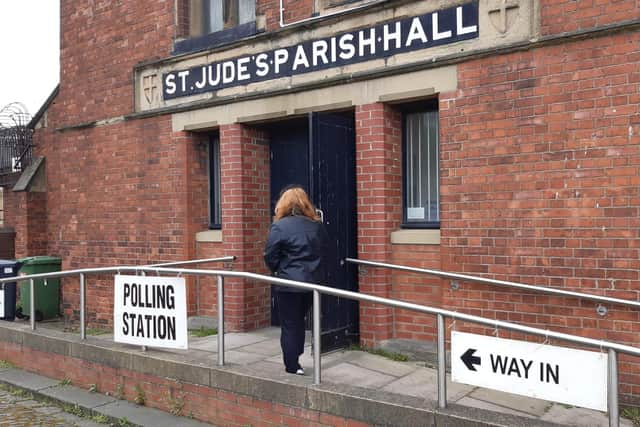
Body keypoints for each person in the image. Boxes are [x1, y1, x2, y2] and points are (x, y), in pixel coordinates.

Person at [264, 186, 329, 375]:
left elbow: (270, 255)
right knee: (299, 320)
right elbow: (325, 250)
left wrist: (277, 269)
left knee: (290, 323)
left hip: (288, 284)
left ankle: (293, 365)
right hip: (311, 283)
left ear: (283, 204)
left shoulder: (279, 226)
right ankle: (297, 355)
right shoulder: (316, 226)